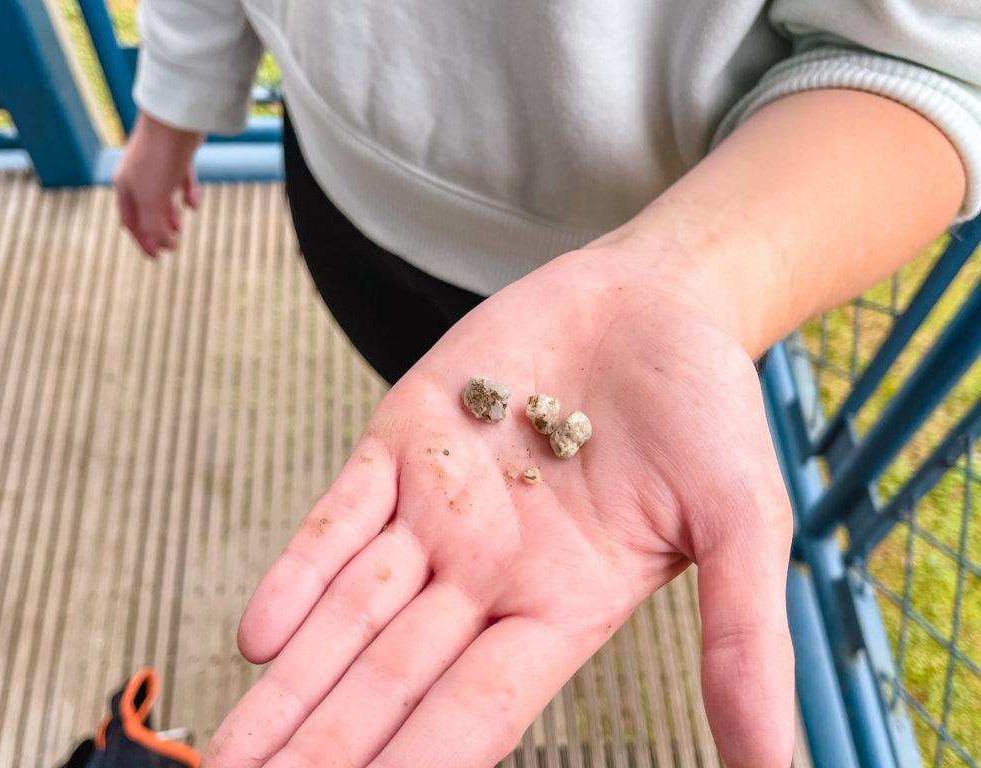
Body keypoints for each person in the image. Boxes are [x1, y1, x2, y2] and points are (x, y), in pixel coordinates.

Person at [113, 2, 980, 765]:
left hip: (660, 243)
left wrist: (688, 281)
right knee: (401, 371)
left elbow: (934, 53)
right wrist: (174, 104)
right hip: (348, 190)